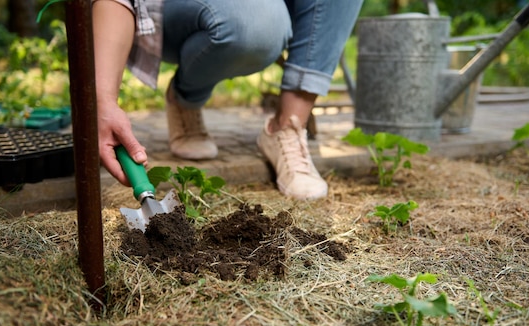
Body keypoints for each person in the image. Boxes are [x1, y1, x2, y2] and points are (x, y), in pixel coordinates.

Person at [92, 0, 364, 200]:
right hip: (176, 12)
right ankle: (185, 97)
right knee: (257, 22)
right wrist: (105, 102)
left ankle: (288, 126)